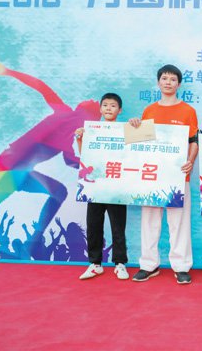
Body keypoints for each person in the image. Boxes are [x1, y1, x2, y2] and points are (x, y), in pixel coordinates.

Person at [0, 64, 100, 260]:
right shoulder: (67, 116)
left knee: (58, 192)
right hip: (11, 168)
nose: (92, 99)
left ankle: (32, 243)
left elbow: (69, 159)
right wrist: (9, 72)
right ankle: (32, 243)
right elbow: (41, 86)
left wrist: (88, 166)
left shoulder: (72, 125)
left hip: (19, 170)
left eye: (92, 102)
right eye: (95, 102)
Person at [129, 64, 198, 284]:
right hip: (152, 175)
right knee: (150, 221)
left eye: (173, 79)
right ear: (158, 82)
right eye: (165, 78)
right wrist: (135, 127)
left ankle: (181, 266)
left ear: (179, 84)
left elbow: (193, 141)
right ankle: (149, 265)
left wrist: (190, 161)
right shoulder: (149, 110)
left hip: (178, 176)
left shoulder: (188, 111)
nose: (168, 82)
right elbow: (141, 142)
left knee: (179, 223)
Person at [75, 93, 129, 280]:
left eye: (113, 105)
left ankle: (120, 263)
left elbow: (135, 154)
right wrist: (80, 138)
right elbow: (85, 156)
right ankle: (95, 263)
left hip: (116, 186)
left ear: (119, 110)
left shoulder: (126, 130)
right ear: (100, 109)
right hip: (96, 187)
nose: (108, 108)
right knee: (94, 225)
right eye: (105, 105)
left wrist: (135, 126)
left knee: (118, 226)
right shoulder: (92, 131)